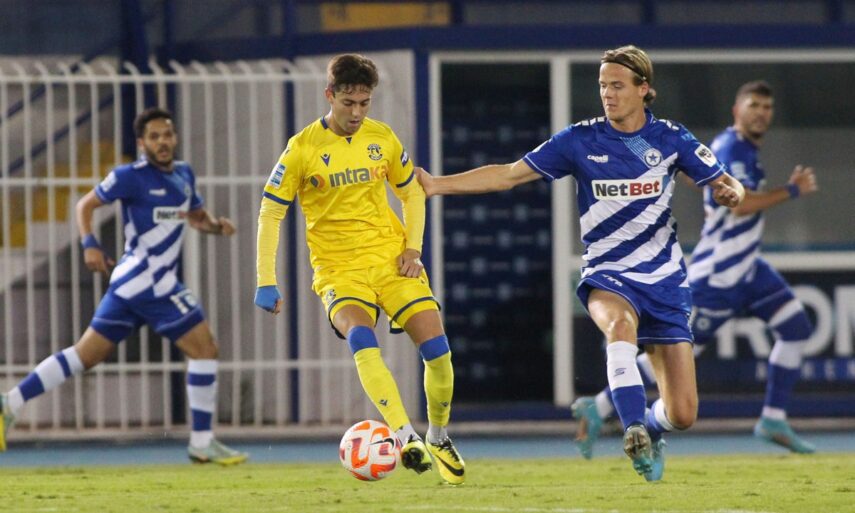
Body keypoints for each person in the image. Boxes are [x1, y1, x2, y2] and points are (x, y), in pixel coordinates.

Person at [416, 45, 745, 482]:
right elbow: (510, 173)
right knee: (619, 326)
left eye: (617, 85)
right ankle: (632, 428)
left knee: (683, 413)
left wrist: (730, 192)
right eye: (603, 85)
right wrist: (437, 185)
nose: (607, 94)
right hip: (608, 273)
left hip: (665, 280)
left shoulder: (670, 138)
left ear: (643, 89)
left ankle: (650, 427)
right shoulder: (579, 140)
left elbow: (726, 181)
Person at [572, 80, 818, 457]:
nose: (761, 113)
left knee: (796, 327)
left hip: (749, 267)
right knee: (672, 358)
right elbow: (739, 205)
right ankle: (602, 406)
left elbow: (694, 175)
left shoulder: (743, 150)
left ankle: (773, 418)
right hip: (718, 274)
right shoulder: (730, 147)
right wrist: (792, 190)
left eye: (767, 107)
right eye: (753, 105)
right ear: (736, 111)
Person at [254, 54, 465, 485]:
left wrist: (413, 248)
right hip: (339, 271)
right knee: (361, 339)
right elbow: (271, 213)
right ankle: (405, 436)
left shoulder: (381, 138)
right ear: (329, 95)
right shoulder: (302, 148)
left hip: (391, 262)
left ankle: (438, 436)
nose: (356, 113)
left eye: (364, 103)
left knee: (438, 353)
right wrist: (266, 280)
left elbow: (412, 193)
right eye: (348, 103)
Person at [0, 107, 249, 466]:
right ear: (142, 143)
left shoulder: (184, 174)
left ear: (175, 137)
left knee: (85, 355)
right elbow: (85, 205)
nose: (162, 142)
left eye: (167, 134)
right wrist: (89, 244)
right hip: (150, 283)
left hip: (131, 287)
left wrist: (215, 226)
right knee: (205, 349)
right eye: (154, 137)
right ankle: (201, 442)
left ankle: (10, 401)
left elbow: (195, 216)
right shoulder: (129, 176)